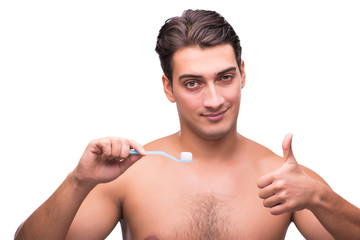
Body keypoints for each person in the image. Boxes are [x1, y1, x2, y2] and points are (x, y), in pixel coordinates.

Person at [15, 9, 360, 240]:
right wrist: (79, 181)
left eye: (224, 77)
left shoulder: (282, 177)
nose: (214, 100)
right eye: (193, 83)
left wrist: (319, 197)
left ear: (243, 74)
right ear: (169, 88)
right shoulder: (128, 173)